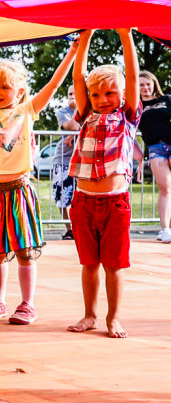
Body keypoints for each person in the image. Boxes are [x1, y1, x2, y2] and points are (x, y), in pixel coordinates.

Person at [0, 39, 78, 325]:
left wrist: (72, 52)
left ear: (20, 90)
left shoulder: (27, 112)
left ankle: (27, 304)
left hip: (18, 191)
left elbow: (53, 84)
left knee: (24, 251)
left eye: (5, 87)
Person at [66, 29, 140, 338]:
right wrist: (85, 38)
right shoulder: (86, 115)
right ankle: (89, 315)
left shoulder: (128, 117)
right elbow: (78, 78)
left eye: (110, 94)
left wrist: (125, 35)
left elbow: (133, 76)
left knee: (113, 264)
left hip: (115, 202)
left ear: (122, 95)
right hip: (83, 201)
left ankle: (114, 318)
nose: (102, 100)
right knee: (89, 264)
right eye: (96, 95)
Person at [138, 69, 171, 243]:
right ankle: (165, 229)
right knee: (165, 188)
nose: (145, 87)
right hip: (155, 148)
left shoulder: (166, 100)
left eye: (148, 84)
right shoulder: (136, 107)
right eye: (141, 85)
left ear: (154, 84)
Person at [51, 91, 81, 240]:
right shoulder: (62, 112)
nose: (72, 96)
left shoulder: (92, 110)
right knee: (62, 196)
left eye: (75, 93)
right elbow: (73, 126)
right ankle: (69, 229)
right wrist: (77, 107)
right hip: (64, 158)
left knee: (80, 196)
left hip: (83, 159)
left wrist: (74, 136)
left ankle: (80, 227)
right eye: (69, 93)